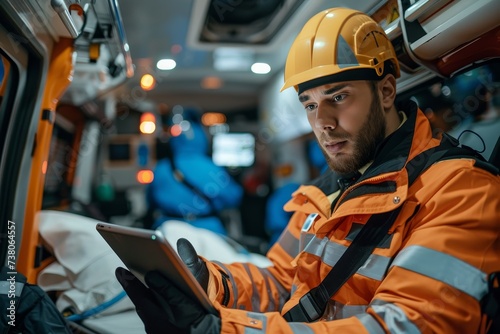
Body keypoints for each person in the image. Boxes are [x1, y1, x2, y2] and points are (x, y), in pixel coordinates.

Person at [116, 8, 500, 333]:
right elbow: (284, 280)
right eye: (310, 104)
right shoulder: (325, 190)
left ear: (385, 92)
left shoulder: (461, 191)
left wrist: (225, 328)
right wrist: (213, 282)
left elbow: (403, 325)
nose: (323, 122)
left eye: (338, 97)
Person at [146, 106, 243, 235]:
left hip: (169, 231)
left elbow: (150, 201)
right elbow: (234, 198)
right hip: (208, 232)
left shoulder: (160, 168)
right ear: (202, 139)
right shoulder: (212, 168)